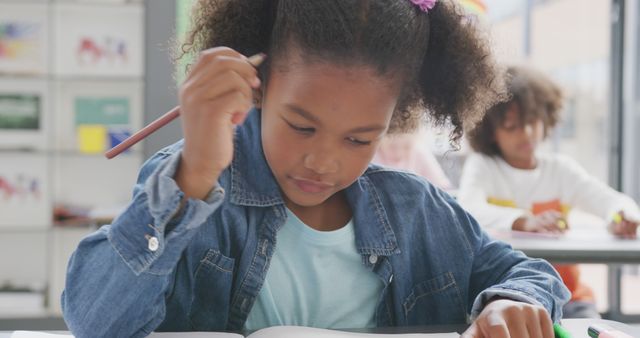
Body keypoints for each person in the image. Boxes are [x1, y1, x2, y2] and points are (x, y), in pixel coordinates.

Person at [62, 1, 569, 337]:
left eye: (359, 139)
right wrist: (193, 177)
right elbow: (95, 322)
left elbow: (526, 274)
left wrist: (511, 303)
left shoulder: (416, 210)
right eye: (301, 127)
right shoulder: (189, 183)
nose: (324, 162)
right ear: (257, 85)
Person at [458, 65, 640, 319]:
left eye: (533, 122)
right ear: (490, 133)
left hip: (569, 298)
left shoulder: (560, 171)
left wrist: (622, 217)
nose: (528, 133)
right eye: (513, 126)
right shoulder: (484, 167)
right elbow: (467, 210)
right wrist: (523, 220)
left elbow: (614, 202)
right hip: (508, 298)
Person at [373, 129, 453, 190]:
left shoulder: (419, 152)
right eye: (392, 147)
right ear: (380, 140)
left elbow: (441, 187)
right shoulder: (373, 155)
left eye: (406, 148)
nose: (399, 153)